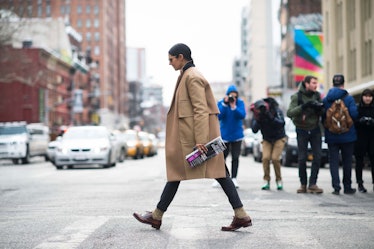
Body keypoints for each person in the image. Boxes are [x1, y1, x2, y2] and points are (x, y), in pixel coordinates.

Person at [133, 43, 252, 231]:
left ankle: (157, 216)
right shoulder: (187, 75)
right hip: (192, 136)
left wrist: (201, 140)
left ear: (181, 57)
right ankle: (241, 215)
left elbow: (200, 109)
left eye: (171, 59)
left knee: (214, 173)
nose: (169, 63)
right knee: (210, 173)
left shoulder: (192, 76)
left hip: (195, 138)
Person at [287, 75, 324, 194]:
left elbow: (323, 111)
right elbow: (289, 113)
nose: (315, 85)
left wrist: (319, 108)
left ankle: (312, 184)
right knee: (302, 158)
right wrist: (304, 106)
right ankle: (303, 184)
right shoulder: (296, 96)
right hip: (301, 130)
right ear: (306, 84)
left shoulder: (317, 96)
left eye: (316, 83)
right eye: (313, 83)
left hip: (315, 129)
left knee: (318, 156)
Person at [322, 74, 358, 195]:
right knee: (347, 161)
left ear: (332, 84)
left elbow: (322, 116)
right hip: (348, 135)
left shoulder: (326, 99)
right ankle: (347, 187)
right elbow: (354, 114)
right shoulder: (348, 98)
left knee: (333, 161)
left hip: (332, 136)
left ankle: (336, 187)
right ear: (343, 84)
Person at [251, 97, 286, 190]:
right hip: (267, 139)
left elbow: (281, 123)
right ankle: (266, 180)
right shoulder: (257, 114)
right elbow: (254, 130)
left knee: (275, 159)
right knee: (265, 158)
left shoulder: (275, 110)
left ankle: (279, 180)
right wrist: (259, 119)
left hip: (279, 138)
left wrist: (270, 116)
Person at [214, 84, 246, 188]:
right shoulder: (221, 103)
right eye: (231, 96)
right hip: (224, 135)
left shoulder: (240, 103)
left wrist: (234, 107)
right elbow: (218, 116)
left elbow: (242, 115)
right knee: (222, 158)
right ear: (227, 95)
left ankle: (234, 178)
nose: (233, 98)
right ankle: (220, 177)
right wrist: (224, 103)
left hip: (237, 135)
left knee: (235, 158)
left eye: (235, 96)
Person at [354, 88, 374, 193]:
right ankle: (360, 183)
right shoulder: (357, 108)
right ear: (362, 97)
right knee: (359, 162)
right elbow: (353, 122)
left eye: (370, 96)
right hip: (360, 138)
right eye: (366, 96)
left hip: (372, 138)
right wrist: (361, 121)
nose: (368, 98)